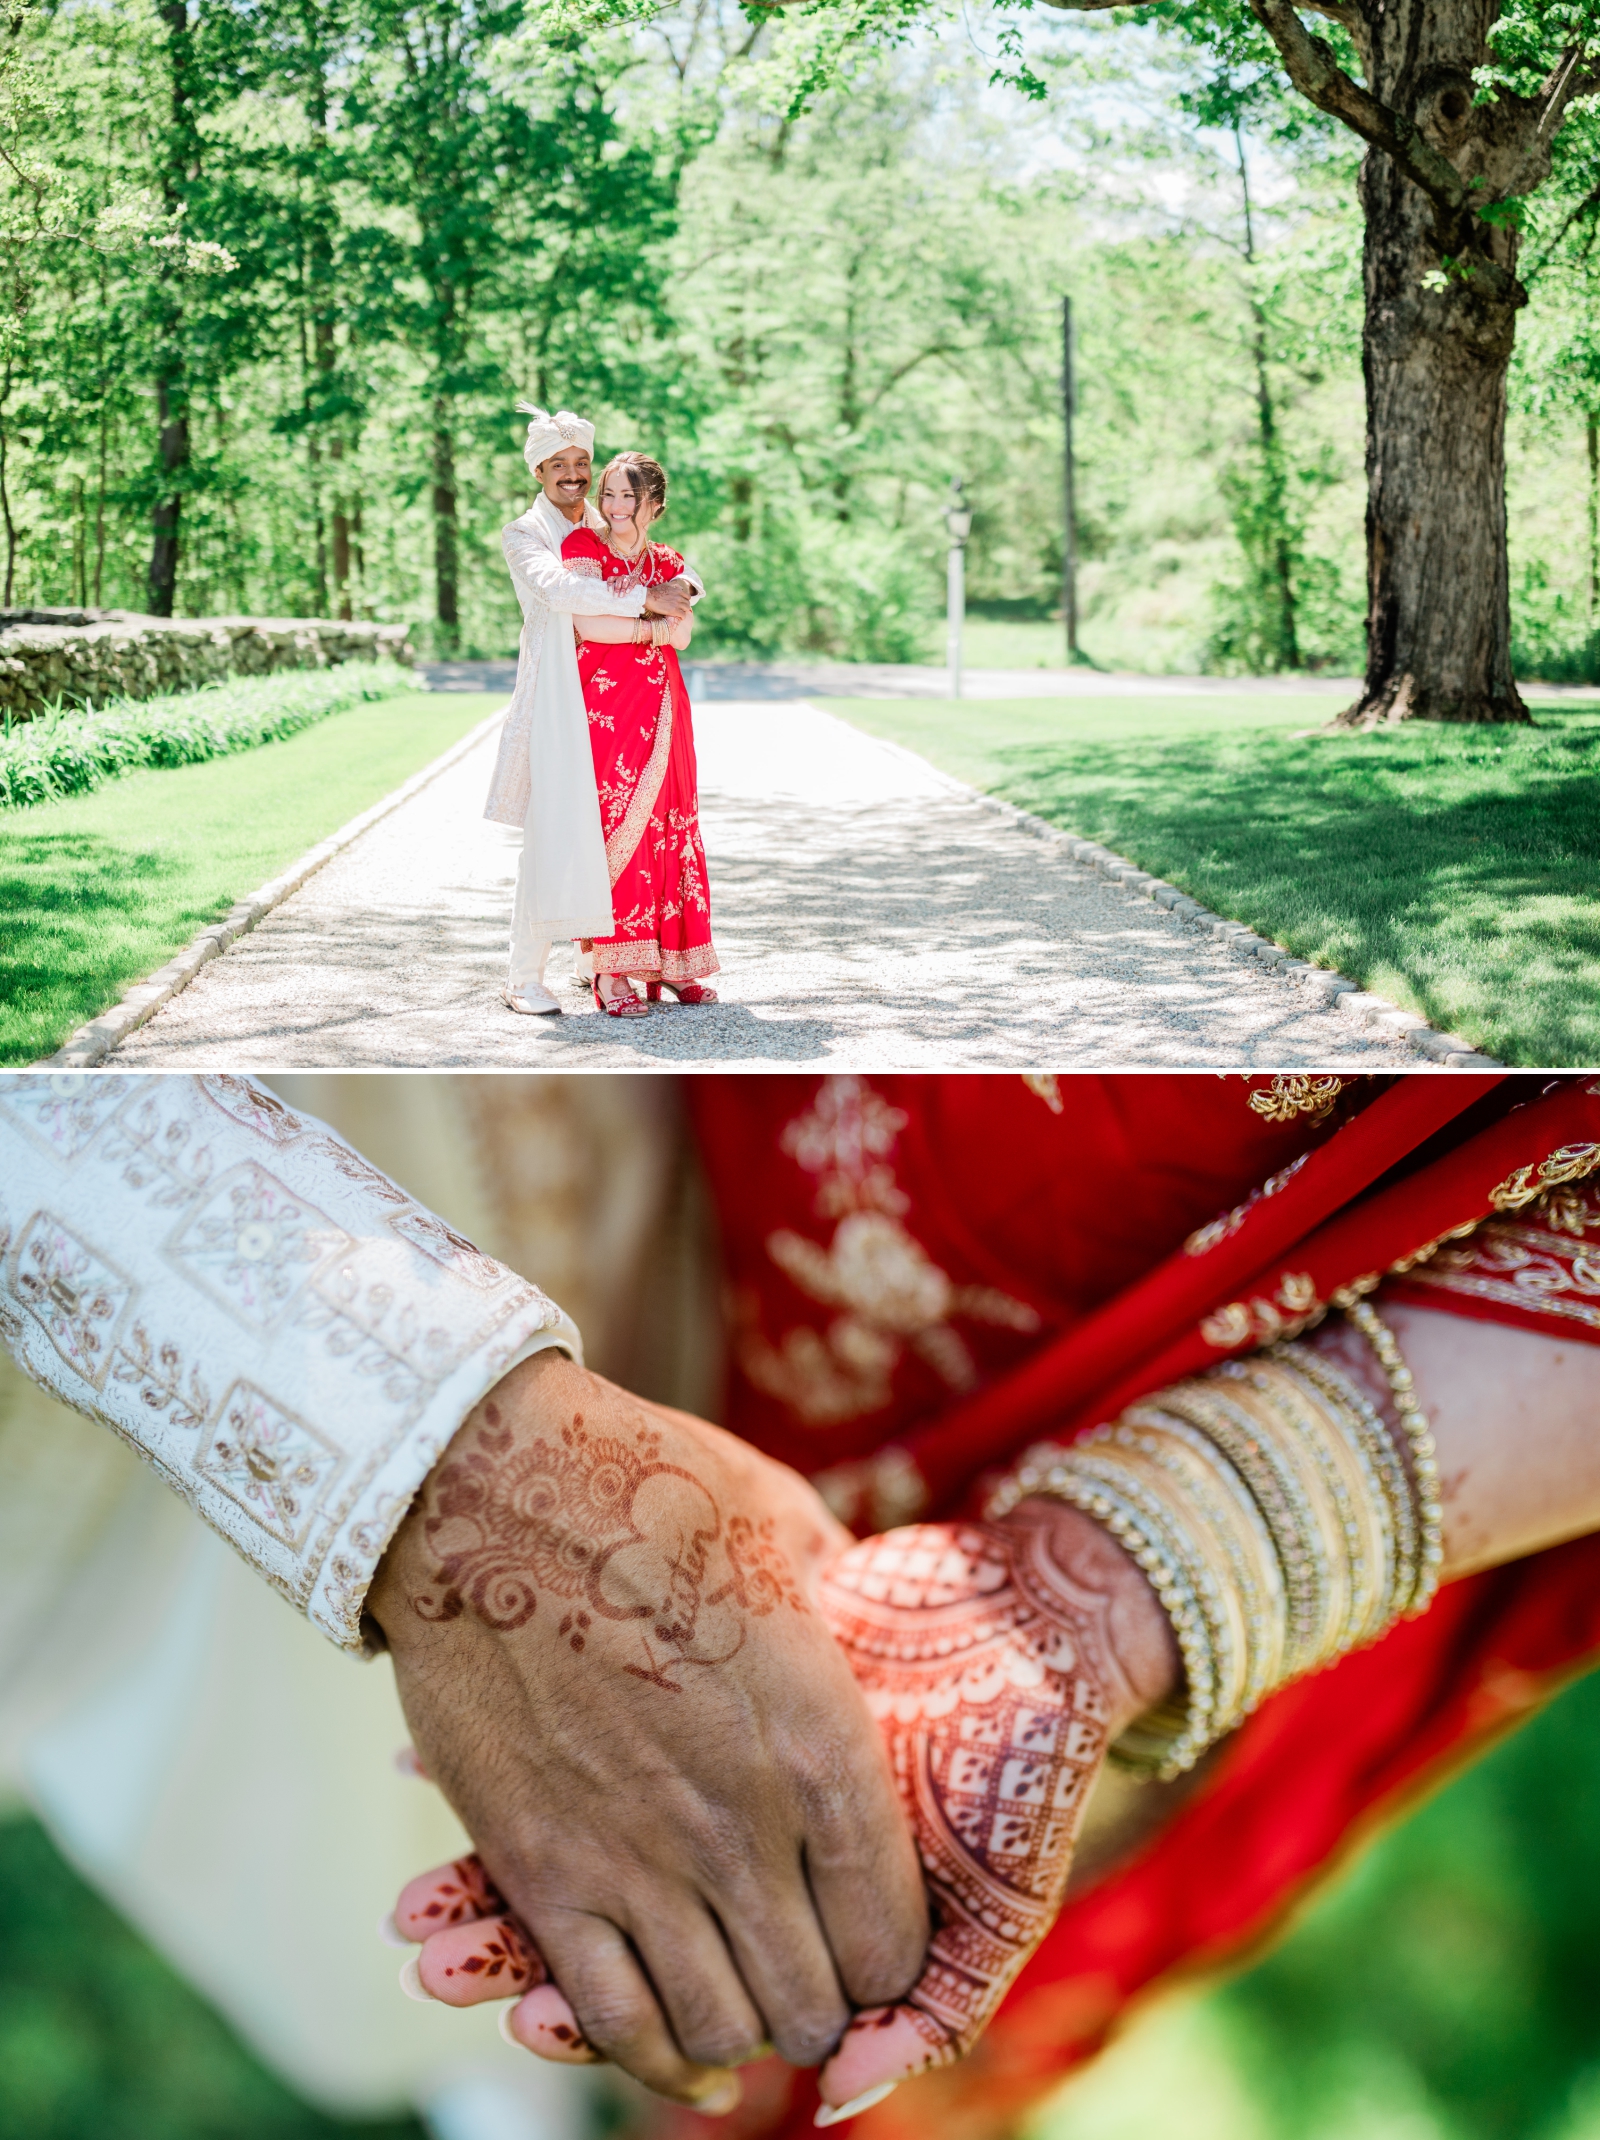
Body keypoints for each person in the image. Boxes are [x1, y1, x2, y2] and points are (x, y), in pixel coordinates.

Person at [9, 1075, 1600, 2139]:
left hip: (1294, 1303)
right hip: (317, 1126)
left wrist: (1130, 1569)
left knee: (720, 1877)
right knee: (280, 1800)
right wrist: (431, 1441)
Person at [484, 408, 699, 1018]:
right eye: (560, 466)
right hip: (556, 693)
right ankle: (524, 976)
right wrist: (647, 608)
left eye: (583, 464)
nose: (574, 476)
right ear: (539, 470)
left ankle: (596, 960)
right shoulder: (524, 533)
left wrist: (684, 590)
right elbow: (562, 592)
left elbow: (663, 561)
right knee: (551, 830)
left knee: (601, 826)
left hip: (609, 695)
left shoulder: (607, 523)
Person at [561, 453, 720, 1017]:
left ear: (653, 504)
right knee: (617, 822)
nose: (615, 507)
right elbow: (587, 623)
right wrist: (654, 622)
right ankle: (610, 970)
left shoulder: (670, 561)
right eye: (609, 494)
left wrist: (655, 621)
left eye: (629, 497)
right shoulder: (584, 550)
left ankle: (676, 963)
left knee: (670, 820)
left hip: (665, 704)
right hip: (606, 702)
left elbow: (684, 640)